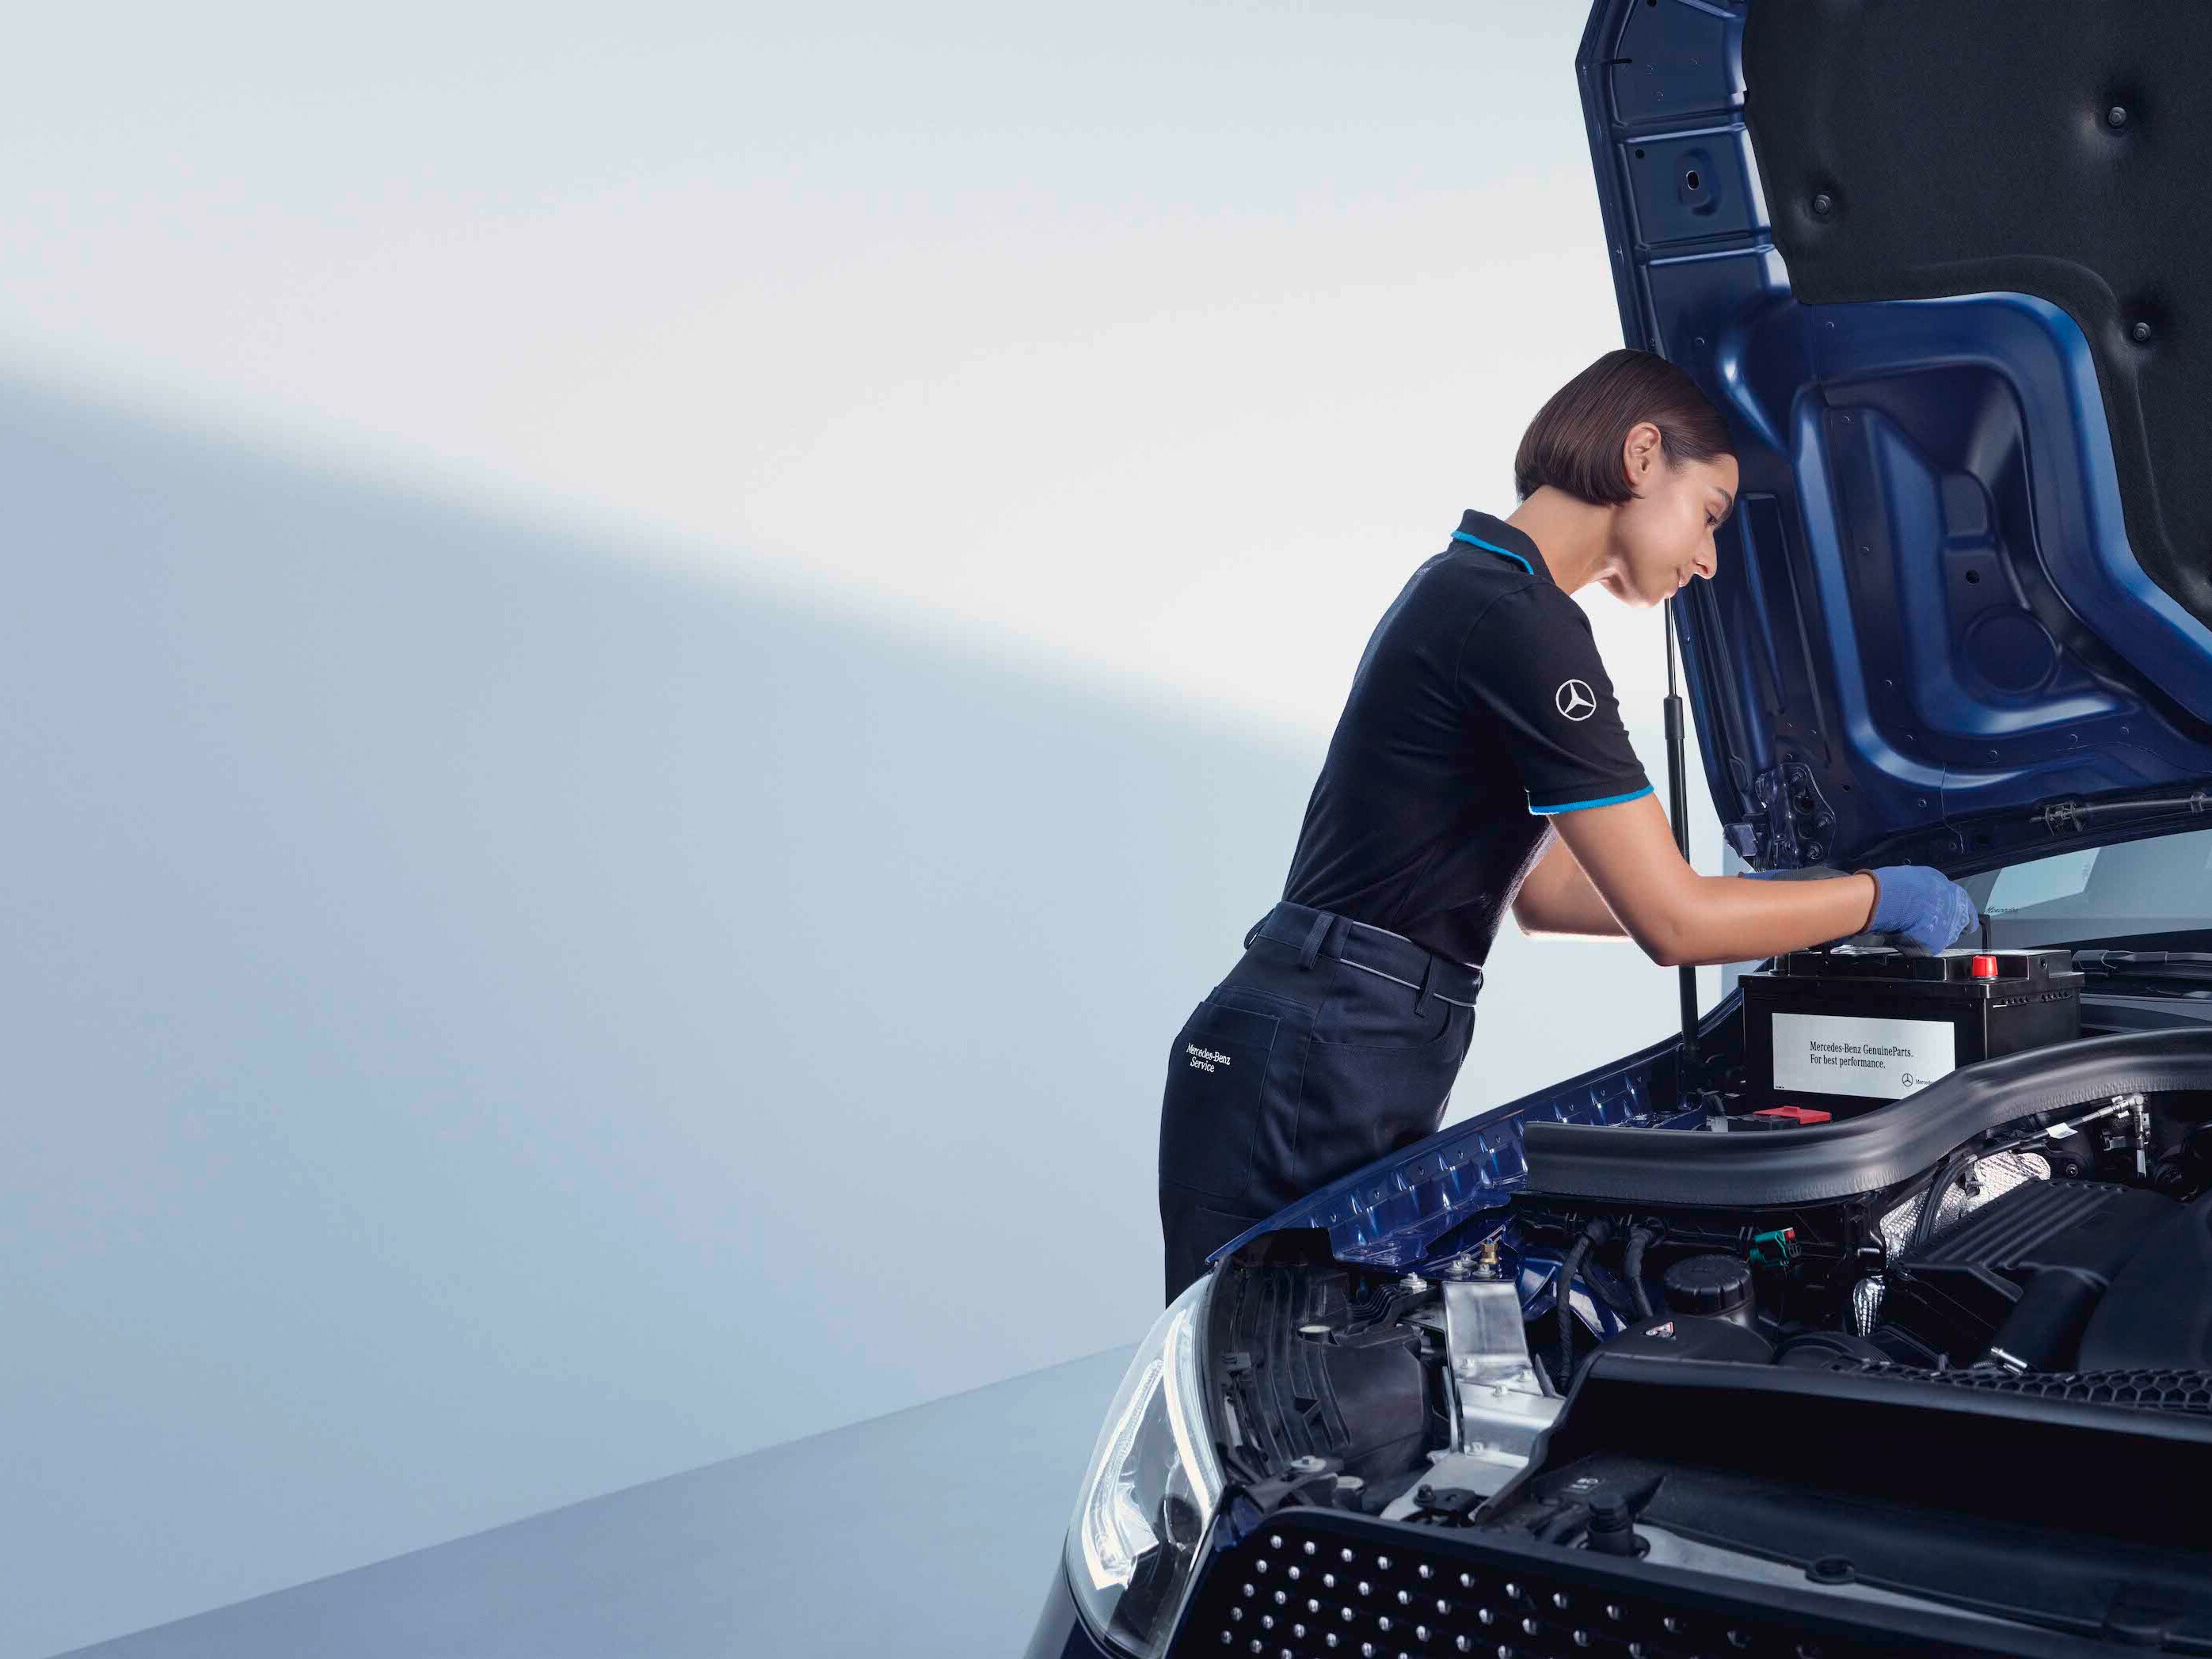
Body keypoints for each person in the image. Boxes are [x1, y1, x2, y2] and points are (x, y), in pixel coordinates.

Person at [1155, 348, 1978, 1303]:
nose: (1709, 560)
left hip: (1335, 1038)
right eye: (1709, 514)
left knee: (1315, 1395)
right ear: (1640, 457)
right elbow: (1674, 924)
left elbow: (1545, 895)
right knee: (1281, 1401)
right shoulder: (1515, 615)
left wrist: (1796, 902)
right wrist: (1883, 896)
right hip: (1316, 1050)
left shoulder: (1476, 592)